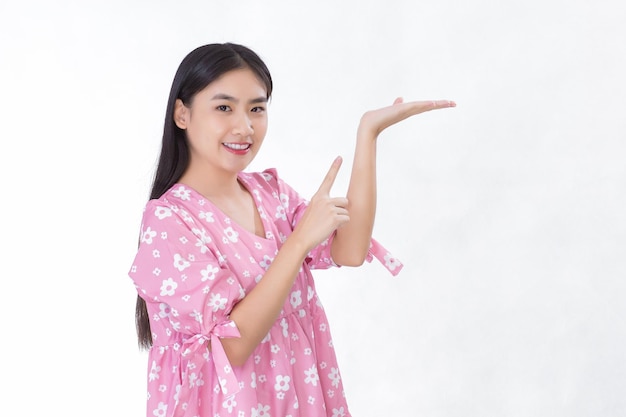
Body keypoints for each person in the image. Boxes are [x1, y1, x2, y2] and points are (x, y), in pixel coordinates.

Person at [128, 42, 455, 417]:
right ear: (182, 114)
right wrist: (299, 242)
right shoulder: (170, 221)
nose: (244, 126)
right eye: (224, 107)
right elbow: (231, 344)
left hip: (302, 399)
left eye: (257, 108)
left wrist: (368, 134)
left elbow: (349, 250)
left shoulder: (271, 194)